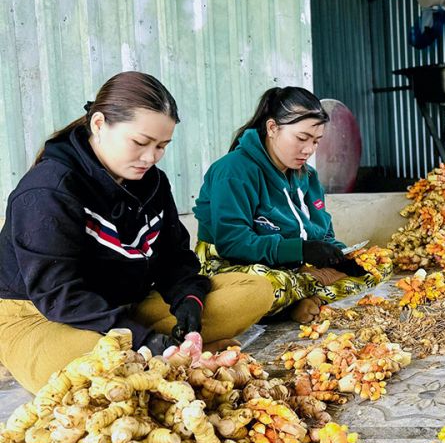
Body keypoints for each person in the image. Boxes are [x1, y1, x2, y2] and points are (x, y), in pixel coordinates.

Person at [0, 72, 275, 393]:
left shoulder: (152, 183)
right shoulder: (49, 191)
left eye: (161, 146)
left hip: (124, 303)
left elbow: (174, 259)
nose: (151, 157)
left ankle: (163, 349)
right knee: (89, 369)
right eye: (140, 143)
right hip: (43, 316)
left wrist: (189, 302)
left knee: (255, 290)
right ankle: (160, 351)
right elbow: (60, 296)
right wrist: (144, 341)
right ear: (99, 124)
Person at [194, 87, 389, 323]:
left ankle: (300, 296)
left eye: (316, 141)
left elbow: (323, 233)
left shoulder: (306, 176)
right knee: (263, 287)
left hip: (290, 266)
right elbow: (232, 243)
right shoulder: (233, 171)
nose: (309, 150)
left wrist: (340, 257)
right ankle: (294, 301)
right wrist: (301, 250)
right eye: (301, 138)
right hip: (233, 266)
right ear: (272, 128)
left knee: (377, 268)